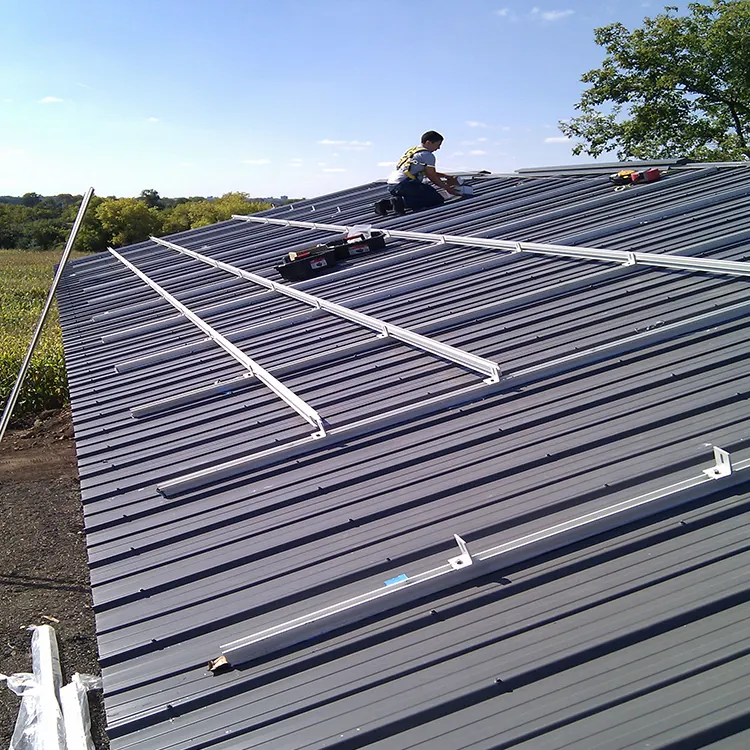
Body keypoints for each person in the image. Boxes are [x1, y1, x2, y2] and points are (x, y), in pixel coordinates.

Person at [375, 130, 461, 216]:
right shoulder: (427, 155)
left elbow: (425, 171)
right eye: (437, 145)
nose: (438, 148)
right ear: (428, 142)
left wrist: (445, 176)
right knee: (435, 199)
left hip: (393, 185)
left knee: (426, 194)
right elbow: (432, 176)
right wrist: (447, 188)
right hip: (405, 184)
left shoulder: (414, 151)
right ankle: (400, 202)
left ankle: (386, 204)